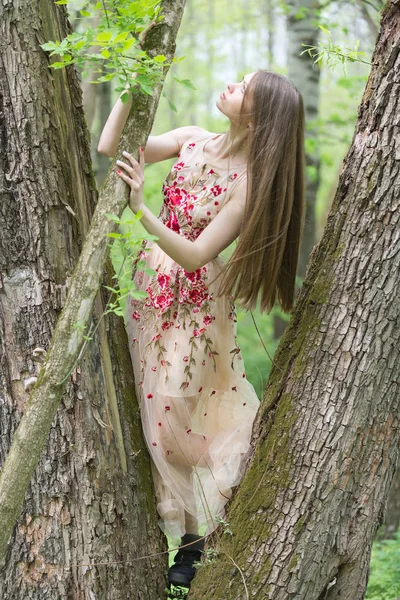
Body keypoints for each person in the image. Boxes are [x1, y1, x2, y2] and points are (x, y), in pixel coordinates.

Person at [98, 69, 306, 597]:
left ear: (255, 116)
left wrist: (142, 209)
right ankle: (188, 537)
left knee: (179, 412)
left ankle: (195, 539)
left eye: (242, 88)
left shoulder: (249, 181)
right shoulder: (192, 138)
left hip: (196, 303)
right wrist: (134, 85)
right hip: (150, 289)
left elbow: (195, 255)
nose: (229, 86)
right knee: (146, 399)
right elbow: (110, 146)